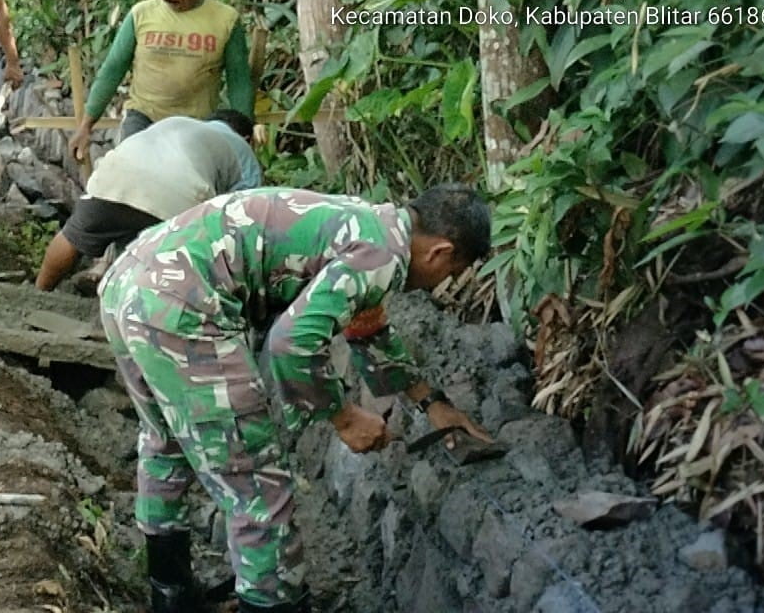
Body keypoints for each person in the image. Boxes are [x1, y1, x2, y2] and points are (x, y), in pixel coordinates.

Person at [98, 184, 495, 613]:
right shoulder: (382, 256)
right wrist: (343, 417)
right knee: (257, 489)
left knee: (165, 441)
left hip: (130, 284)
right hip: (183, 309)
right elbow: (291, 344)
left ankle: (170, 595)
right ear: (440, 251)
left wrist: (430, 401)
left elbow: (366, 327)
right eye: (452, 272)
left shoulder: (370, 225)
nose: (442, 285)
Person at [68, 0, 254, 163]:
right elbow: (113, 69)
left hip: (197, 125)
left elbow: (239, 81)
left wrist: (244, 133)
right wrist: (86, 125)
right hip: (144, 118)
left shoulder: (225, 21)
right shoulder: (141, 15)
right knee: (133, 175)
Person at [36, 110, 260, 292]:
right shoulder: (240, 147)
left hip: (116, 175)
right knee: (180, 263)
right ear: (247, 139)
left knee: (74, 234)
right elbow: (246, 210)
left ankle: (39, 292)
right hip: (178, 195)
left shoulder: (178, 122)